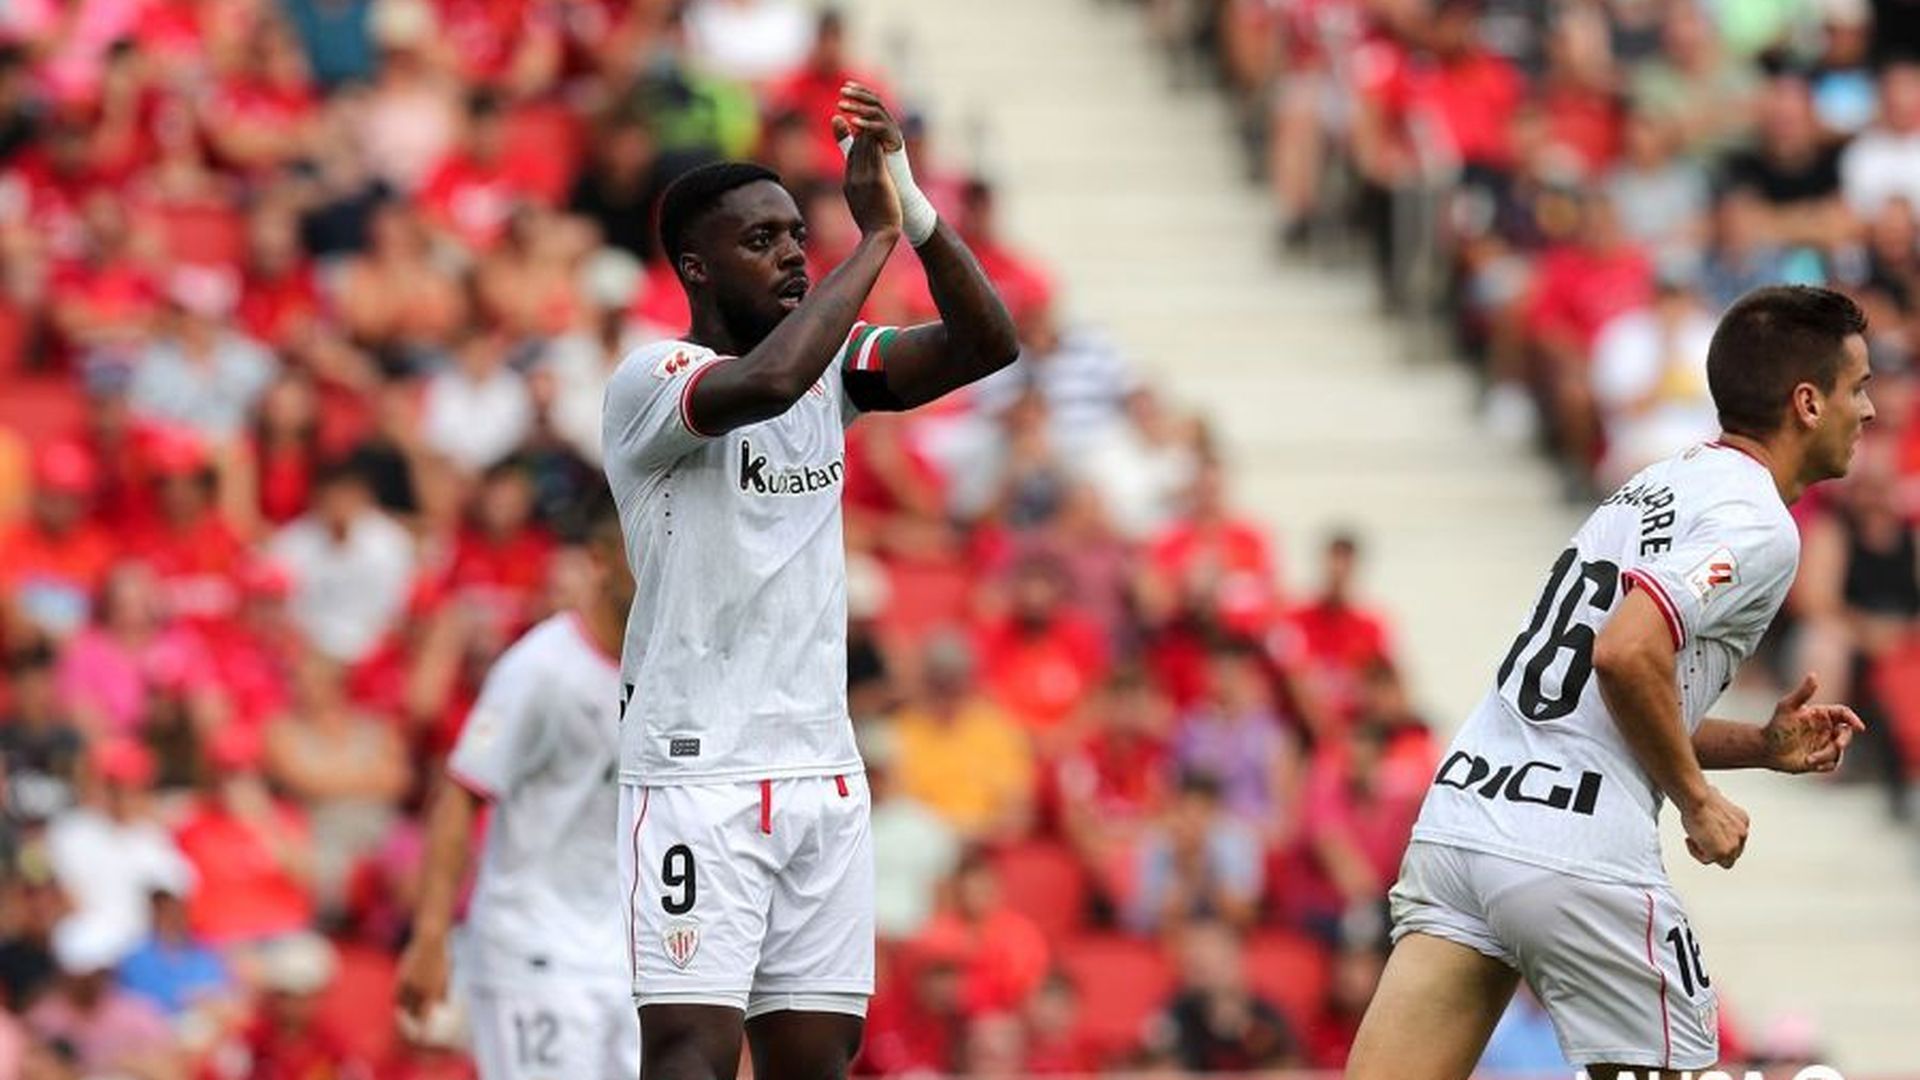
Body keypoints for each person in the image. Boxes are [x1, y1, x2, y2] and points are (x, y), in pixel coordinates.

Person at [1347, 285, 1875, 1080]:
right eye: (1858, 387)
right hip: (1575, 850)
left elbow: (1611, 692)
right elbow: (1625, 656)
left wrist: (1759, 746)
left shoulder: (1656, 484)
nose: (1868, 411)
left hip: (1465, 824)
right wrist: (1697, 800)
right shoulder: (1759, 522)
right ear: (1807, 402)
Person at [599, 82, 1016, 1080]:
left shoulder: (836, 367)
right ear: (696, 266)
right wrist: (868, 243)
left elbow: (986, 344)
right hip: (697, 771)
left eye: (797, 233)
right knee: (691, 1054)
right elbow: (770, 381)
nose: (791, 251)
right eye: (763, 240)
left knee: (815, 1061)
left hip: (822, 770)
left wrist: (911, 211)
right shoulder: (651, 380)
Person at [395, 507, 637, 1080]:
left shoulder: (665, 665)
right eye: (642, 552)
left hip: (626, 955)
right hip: (533, 947)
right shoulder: (540, 670)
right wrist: (430, 937)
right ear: (601, 564)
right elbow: (461, 794)